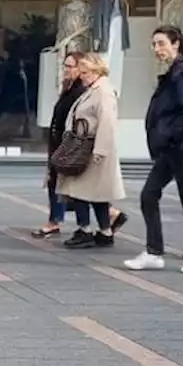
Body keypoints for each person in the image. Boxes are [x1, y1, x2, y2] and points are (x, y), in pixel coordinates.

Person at [124, 26, 183, 274]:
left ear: (176, 44)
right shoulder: (177, 72)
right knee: (149, 195)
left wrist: (169, 135)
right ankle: (154, 252)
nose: (157, 49)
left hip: (182, 148)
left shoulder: (181, 74)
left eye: (161, 43)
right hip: (173, 148)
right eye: (154, 45)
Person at [57, 53, 125, 250]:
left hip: (91, 148)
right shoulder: (95, 89)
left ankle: (85, 229)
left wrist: (100, 150)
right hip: (88, 146)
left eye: (85, 72)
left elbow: (107, 123)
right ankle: (105, 231)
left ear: (96, 72)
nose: (82, 76)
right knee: (97, 193)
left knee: (80, 191)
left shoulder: (102, 92)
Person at [34, 52, 92, 240]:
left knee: (62, 183)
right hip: (59, 142)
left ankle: (58, 222)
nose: (66, 70)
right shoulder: (69, 88)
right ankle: (57, 220)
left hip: (67, 144)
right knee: (59, 183)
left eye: (70, 66)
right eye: (64, 66)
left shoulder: (80, 91)